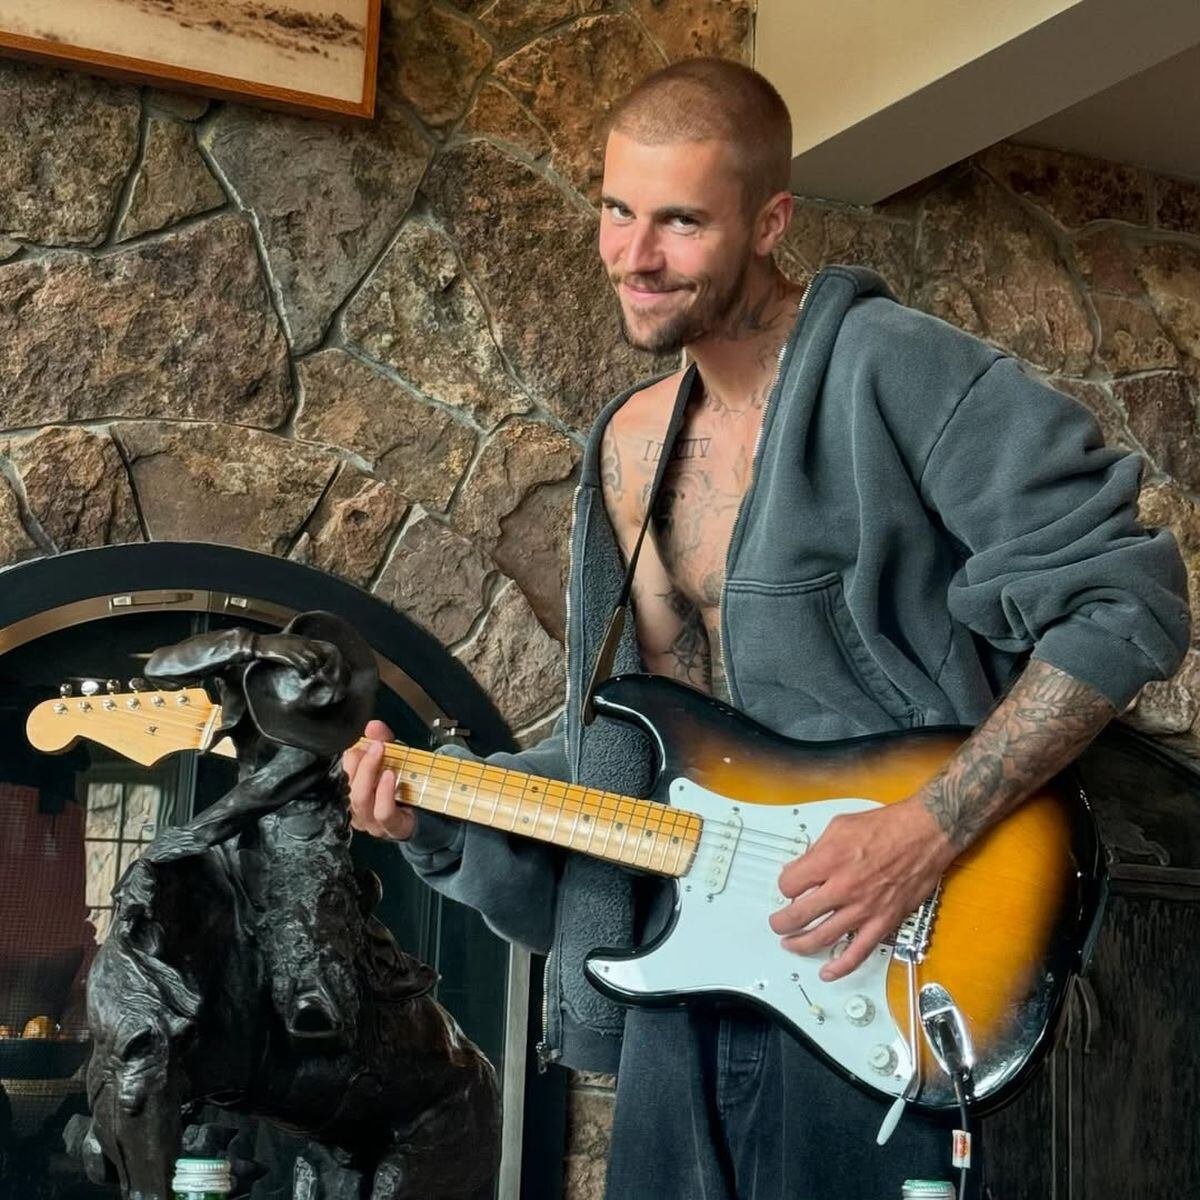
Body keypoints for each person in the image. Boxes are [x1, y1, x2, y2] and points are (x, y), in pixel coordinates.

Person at [343, 58, 1189, 1200]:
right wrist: (441, 809)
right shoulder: (630, 445)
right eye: (617, 211)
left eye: (681, 223)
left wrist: (930, 826)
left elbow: (1124, 596)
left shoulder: (900, 369)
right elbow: (651, 753)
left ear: (770, 221)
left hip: (906, 952)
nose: (634, 258)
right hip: (705, 968)